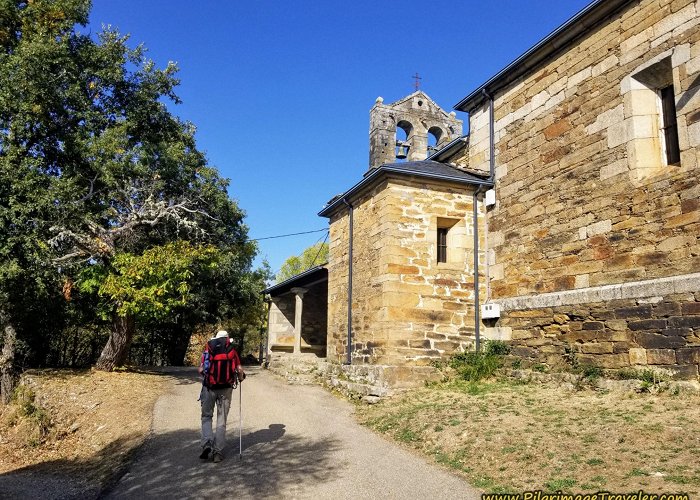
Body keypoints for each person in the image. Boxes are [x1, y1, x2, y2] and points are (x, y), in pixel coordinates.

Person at [198, 329, 245, 463]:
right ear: (227, 339)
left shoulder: (208, 349)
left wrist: (206, 376)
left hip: (209, 387)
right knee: (221, 419)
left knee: (206, 416)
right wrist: (241, 377)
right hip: (226, 389)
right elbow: (239, 370)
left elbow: (201, 369)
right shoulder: (232, 351)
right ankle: (217, 453)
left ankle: (207, 442)